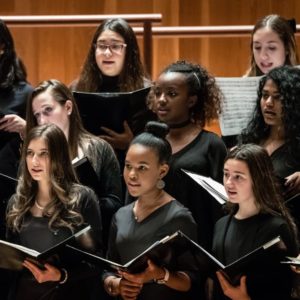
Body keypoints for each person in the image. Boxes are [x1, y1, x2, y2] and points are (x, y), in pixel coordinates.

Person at [6, 123, 103, 300]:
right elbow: (10, 263)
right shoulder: (16, 201)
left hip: (64, 293)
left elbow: (95, 262)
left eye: (44, 153)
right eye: (30, 153)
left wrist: (61, 275)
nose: (34, 161)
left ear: (59, 156)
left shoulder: (82, 198)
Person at [102, 121, 199, 300]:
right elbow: (108, 269)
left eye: (142, 168)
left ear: (162, 171)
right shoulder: (120, 215)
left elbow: (192, 280)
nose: (131, 174)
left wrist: (161, 274)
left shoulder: (179, 217)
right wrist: (116, 285)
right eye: (128, 165)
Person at [25, 79, 122, 251]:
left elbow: (115, 203)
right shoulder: (33, 153)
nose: (42, 120)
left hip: (89, 241)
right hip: (44, 239)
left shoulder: (99, 148)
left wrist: (83, 201)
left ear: (68, 107)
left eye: (48, 110)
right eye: (37, 115)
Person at [151, 60, 227, 250]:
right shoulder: (147, 142)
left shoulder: (212, 144)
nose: (161, 99)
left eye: (172, 94)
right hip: (152, 245)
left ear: (191, 100)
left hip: (197, 247)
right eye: (157, 92)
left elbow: (221, 210)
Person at [211, 144, 298, 300]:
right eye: (226, 174)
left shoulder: (276, 227)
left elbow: (283, 289)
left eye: (238, 176)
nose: (229, 182)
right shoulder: (221, 224)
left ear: (258, 179)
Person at [70, 18, 155, 171]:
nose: (107, 53)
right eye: (101, 46)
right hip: (89, 168)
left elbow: (159, 142)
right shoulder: (77, 87)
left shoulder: (147, 89)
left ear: (129, 51)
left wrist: (132, 143)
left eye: (115, 46)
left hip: (134, 169)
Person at [223, 14, 299, 149]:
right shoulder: (242, 84)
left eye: (271, 48)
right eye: (257, 47)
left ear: (287, 48)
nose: (263, 56)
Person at [238, 66, 300, 231]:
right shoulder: (250, 138)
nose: (268, 103)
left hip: (287, 231)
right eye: (265, 96)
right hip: (248, 227)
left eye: (278, 97)